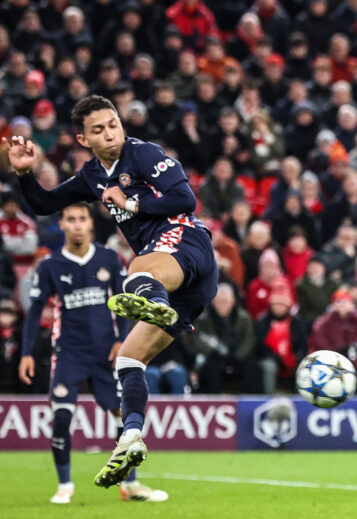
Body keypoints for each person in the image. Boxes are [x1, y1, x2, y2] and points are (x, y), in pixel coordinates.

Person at [3, 94, 219, 488]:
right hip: (183, 283)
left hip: (186, 244)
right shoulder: (92, 175)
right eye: (98, 130)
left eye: (113, 124)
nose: (110, 134)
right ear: (83, 139)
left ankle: (155, 305)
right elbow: (45, 203)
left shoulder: (144, 154)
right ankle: (132, 436)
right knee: (129, 360)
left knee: (135, 270)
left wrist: (131, 203)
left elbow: (185, 198)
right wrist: (24, 174)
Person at [18, 203, 167, 503]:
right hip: (69, 353)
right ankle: (64, 486)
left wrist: (122, 341)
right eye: (70, 219)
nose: (76, 225)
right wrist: (27, 352)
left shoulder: (109, 258)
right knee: (61, 415)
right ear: (62, 224)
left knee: (121, 417)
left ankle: (130, 485)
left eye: (81, 219)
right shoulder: (50, 265)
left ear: (90, 224)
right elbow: (35, 311)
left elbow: (126, 301)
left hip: (105, 353)